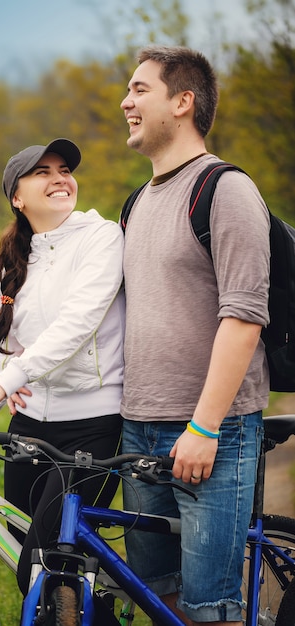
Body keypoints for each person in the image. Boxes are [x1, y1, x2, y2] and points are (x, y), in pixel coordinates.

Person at [119, 46, 270, 625]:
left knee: (209, 613)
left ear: (182, 103)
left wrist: (204, 427)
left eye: (139, 90)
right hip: (139, 430)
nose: (126, 102)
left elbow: (244, 318)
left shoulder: (224, 190)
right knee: (157, 601)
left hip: (214, 433)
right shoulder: (136, 203)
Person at [0, 138, 125, 603]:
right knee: (44, 577)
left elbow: (77, 325)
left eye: (64, 169)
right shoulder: (14, 262)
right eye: (42, 172)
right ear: (17, 197)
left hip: (94, 427)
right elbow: (8, 351)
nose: (59, 178)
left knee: (42, 565)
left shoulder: (101, 238)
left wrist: (7, 382)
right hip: (28, 431)